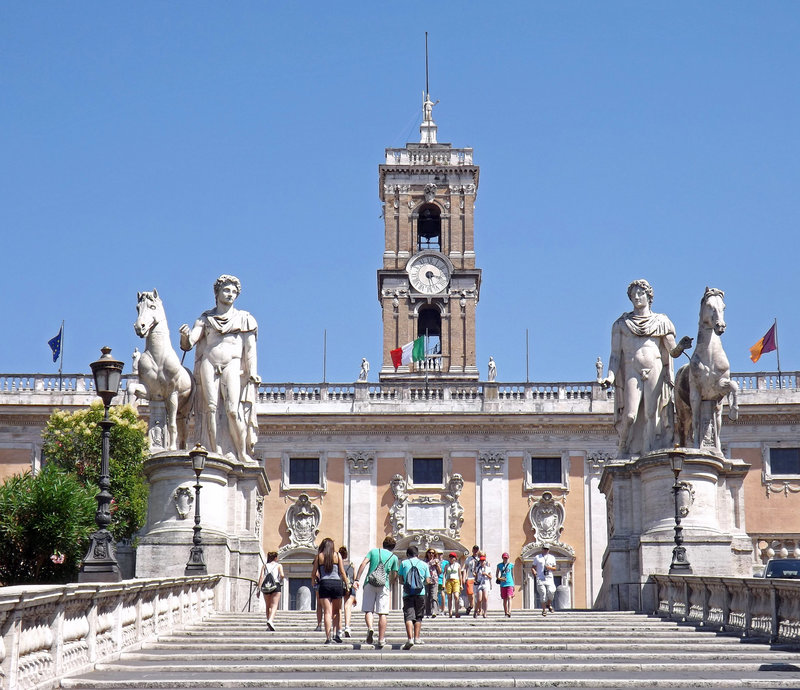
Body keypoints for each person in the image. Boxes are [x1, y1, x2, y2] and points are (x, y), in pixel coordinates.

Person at [600, 279, 692, 458]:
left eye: (640, 293)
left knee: (653, 414)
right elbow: (615, 355)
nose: (636, 297)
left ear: (649, 296)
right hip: (631, 370)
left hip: (655, 369)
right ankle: (623, 449)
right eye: (633, 294)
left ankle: (650, 454)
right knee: (630, 415)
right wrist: (610, 377)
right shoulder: (621, 324)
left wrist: (681, 346)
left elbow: (672, 351)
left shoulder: (662, 321)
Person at [180, 274, 260, 463]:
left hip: (232, 363)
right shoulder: (206, 319)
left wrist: (252, 372)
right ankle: (214, 451)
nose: (230, 294)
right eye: (226, 290)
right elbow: (189, 343)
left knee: (233, 410)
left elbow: (250, 350)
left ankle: (241, 453)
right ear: (217, 293)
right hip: (209, 362)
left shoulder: (244, 318)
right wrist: (184, 336)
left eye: (234, 291)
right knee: (210, 408)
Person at [353, 535, 399, 649]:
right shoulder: (394, 557)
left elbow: (363, 564)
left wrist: (357, 579)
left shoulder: (373, 552)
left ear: (383, 544)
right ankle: (381, 639)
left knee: (369, 610)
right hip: (384, 585)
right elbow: (394, 574)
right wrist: (391, 582)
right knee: (382, 613)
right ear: (393, 547)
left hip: (370, 582)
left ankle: (370, 628)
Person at [312, 537, 349, 644]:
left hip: (324, 584)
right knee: (336, 611)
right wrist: (346, 584)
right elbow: (342, 572)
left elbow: (314, 573)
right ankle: (336, 634)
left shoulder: (319, 557)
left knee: (327, 612)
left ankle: (328, 637)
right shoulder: (337, 555)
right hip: (336, 583)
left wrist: (313, 582)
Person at [398, 545, 431, 649]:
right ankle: (417, 638)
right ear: (418, 554)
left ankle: (410, 639)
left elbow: (400, 580)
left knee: (408, 616)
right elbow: (428, 580)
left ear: (407, 554)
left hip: (407, 593)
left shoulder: (403, 563)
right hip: (420, 594)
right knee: (419, 616)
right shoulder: (424, 564)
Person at [257, 551, 284, 631]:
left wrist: (259, 589)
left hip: (266, 586)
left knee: (268, 606)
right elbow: (282, 575)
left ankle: (268, 622)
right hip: (276, 584)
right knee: (274, 605)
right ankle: (271, 620)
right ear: (275, 558)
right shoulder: (279, 565)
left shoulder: (265, 566)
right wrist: (280, 579)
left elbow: (261, 577)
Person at [531, 544, 558, 617]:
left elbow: (555, 568)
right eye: (544, 549)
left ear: (549, 550)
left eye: (547, 549)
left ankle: (548, 604)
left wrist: (549, 567)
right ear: (542, 549)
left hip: (549, 578)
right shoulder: (537, 557)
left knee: (551, 592)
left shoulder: (552, 558)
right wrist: (534, 571)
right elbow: (533, 567)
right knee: (543, 593)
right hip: (540, 578)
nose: (546, 550)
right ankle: (544, 610)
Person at [339, 545, 356, 637]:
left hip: (339, 586)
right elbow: (354, 579)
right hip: (350, 587)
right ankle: (347, 627)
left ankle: (339, 629)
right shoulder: (352, 565)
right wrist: (355, 596)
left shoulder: (337, 565)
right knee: (347, 607)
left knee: (338, 608)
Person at [443, 551, 463, 618]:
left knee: (456, 596)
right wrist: (443, 583)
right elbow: (444, 574)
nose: (451, 558)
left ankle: (456, 612)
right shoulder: (447, 565)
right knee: (449, 597)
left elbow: (460, 575)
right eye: (450, 557)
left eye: (453, 557)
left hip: (456, 581)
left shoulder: (458, 565)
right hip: (449, 581)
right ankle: (450, 612)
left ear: (455, 558)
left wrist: (461, 584)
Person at [463, 544, 481, 615]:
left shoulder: (480, 559)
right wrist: (464, 577)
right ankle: (471, 605)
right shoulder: (469, 559)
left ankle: (479, 609)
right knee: (470, 593)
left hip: (478, 578)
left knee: (478, 595)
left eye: (477, 549)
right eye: (474, 549)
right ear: (472, 550)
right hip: (470, 577)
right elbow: (465, 568)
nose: (475, 551)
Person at [423, 547, 441, 618]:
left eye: (433, 553)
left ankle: (434, 611)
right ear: (427, 553)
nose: (431, 554)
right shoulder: (424, 562)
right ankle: (428, 611)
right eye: (430, 553)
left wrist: (437, 565)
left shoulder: (436, 561)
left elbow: (440, 571)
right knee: (427, 596)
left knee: (434, 596)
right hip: (426, 580)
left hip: (434, 580)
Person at [473, 553, 492, 618]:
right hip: (479, 584)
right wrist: (475, 580)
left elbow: (491, 577)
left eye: (483, 561)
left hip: (486, 584)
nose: (482, 562)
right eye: (481, 561)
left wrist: (486, 574)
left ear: (485, 561)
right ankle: (476, 610)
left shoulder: (488, 568)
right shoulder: (478, 568)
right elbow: (476, 576)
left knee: (485, 598)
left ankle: (485, 612)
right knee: (479, 599)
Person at [496, 552, 515, 618]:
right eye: (504, 558)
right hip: (503, 584)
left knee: (509, 597)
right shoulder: (499, 565)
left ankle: (509, 611)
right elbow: (497, 575)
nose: (505, 559)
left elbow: (513, 575)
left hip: (510, 583)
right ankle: (505, 612)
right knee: (504, 599)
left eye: (506, 558)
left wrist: (513, 585)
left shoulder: (511, 565)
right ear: (502, 558)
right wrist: (501, 579)